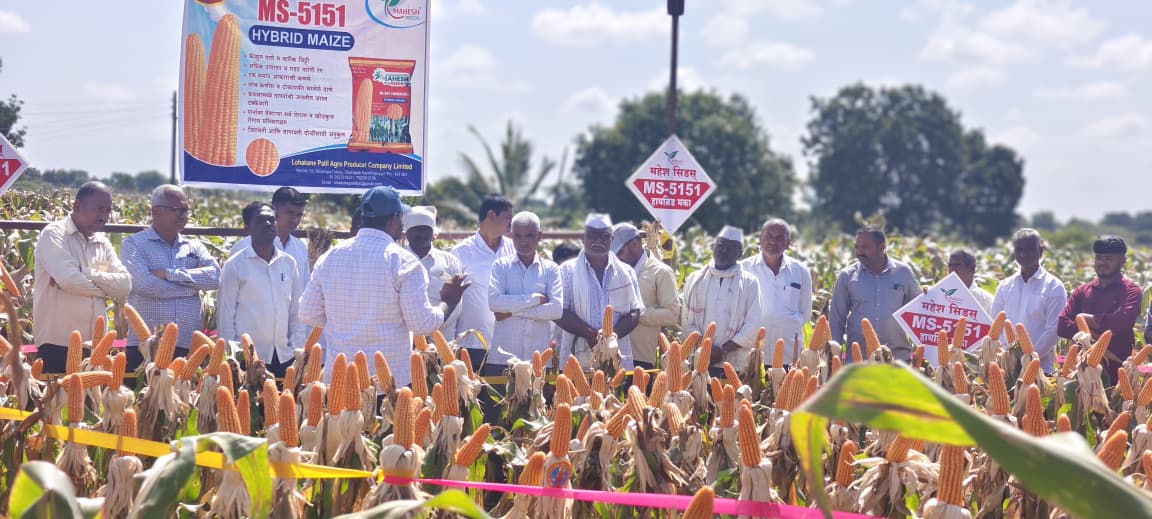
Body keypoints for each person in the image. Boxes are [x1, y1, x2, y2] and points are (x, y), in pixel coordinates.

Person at [299, 186, 468, 386]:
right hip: (389, 385)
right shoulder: (404, 262)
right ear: (394, 219)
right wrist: (448, 301)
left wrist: (345, 322)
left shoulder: (329, 258)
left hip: (340, 379)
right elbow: (422, 325)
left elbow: (308, 313)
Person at [33, 181, 132, 373]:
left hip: (97, 348)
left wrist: (86, 273)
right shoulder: (54, 234)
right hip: (58, 343)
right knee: (58, 401)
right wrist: (105, 288)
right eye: (99, 209)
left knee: (91, 403)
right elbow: (69, 280)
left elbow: (125, 286)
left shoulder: (102, 243)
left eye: (108, 210)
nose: (105, 215)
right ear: (77, 206)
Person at [121, 185, 220, 370]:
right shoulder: (134, 244)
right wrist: (192, 288)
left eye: (186, 210)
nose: (184, 215)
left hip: (188, 344)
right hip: (146, 345)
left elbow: (215, 277)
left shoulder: (194, 247)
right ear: (156, 211)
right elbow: (144, 284)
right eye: (177, 210)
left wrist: (169, 274)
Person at [217, 202, 305, 377]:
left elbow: (296, 311)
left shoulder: (289, 263)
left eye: (271, 220)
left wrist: (297, 350)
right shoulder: (235, 265)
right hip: (248, 361)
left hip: (284, 357)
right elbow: (225, 315)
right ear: (247, 228)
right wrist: (232, 357)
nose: (268, 224)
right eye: (260, 220)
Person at [555, 213, 644, 370]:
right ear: (583, 238)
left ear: (612, 240)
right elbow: (559, 312)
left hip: (617, 358)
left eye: (604, 236)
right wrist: (591, 334)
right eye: (592, 236)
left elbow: (635, 312)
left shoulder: (626, 272)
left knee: (616, 395)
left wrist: (611, 337)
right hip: (577, 360)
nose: (598, 241)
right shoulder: (567, 271)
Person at [829, 227, 921, 362]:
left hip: (897, 359)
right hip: (860, 359)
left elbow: (919, 308)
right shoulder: (847, 276)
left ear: (882, 247)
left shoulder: (903, 273)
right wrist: (833, 354)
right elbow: (837, 318)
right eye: (857, 247)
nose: (859, 252)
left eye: (865, 247)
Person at [1058, 236, 1141, 381]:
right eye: (1099, 258)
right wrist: (1102, 331)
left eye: (1108, 259)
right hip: (1081, 372)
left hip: (1118, 373)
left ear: (1122, 261)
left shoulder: (1131, 291)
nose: (1102, 263)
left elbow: (1123, 322)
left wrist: (1084, 319)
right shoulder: (1081, 292)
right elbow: (1062, 326)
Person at [488, 211, 563, 373]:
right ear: (511, 236)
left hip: (539, 360)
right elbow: (494, 303)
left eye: (529, 236)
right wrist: (535, 299)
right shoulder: (500, 266)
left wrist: (510, 311)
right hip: (503, 358)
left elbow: (556, 310)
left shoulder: (551, 269)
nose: (523, 242)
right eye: (518, 236)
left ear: (539, 236)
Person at [681, 226, 762, 374]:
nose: (723, 251)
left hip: (733, 362)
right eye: (720, 246)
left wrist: (723, 350)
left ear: (740, 253)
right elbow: (686, 319)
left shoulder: (750, 283)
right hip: (699, 358)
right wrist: (705, 348)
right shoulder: (695, 280)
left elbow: (753, 322)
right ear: (713, 247)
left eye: (730, 248)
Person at [450, 194, 515, 368]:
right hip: (471, 344)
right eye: (508, 218)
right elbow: (451, 298)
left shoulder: (514, 249)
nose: (511, 224)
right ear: (492, 215)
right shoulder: (461, 252)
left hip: (507, 344)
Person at [990, 228, 1067, 374]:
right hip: (1006, 367)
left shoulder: (1054, 286)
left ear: (1040, 251)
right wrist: (1008, 357)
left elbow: (1054, 330)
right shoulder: (1005, 285)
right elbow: (995, 323)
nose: (1024, 254)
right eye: (1019, 249)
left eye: (1030, 249)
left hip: (1039, 369)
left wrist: (1029, 357)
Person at [740, 218, 812, 367]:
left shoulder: (801, 271)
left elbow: (805, 313)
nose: (773, 241)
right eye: (768, 236)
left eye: (779, 238)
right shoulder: (743, 269)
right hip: (752, 355)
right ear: (760, 238)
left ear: (788, 243)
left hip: (789, 355)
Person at [612, 222, 680, 371]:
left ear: (635, 244)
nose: (616, 257)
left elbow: (672, 314)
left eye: (619, 252)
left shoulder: (661, 272)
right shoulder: (615, 271)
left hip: (640, 357)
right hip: (611, 353)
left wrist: (636, 314)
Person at [230, 187, 311, 287]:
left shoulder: (301, 248)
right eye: (289, 213)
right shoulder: (245, 247)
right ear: (274, 211)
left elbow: (305, 288)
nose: (295, 219)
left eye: (299, 215)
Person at [403, 206, 465, 334]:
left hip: (442, 337)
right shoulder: (398, 260)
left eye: (426, 229)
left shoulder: (448, 262)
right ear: (407, 232)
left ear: (433, 233)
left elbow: (456, 301)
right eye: (417, 229)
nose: (422, 234)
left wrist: (434, 327)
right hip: (406, 336)